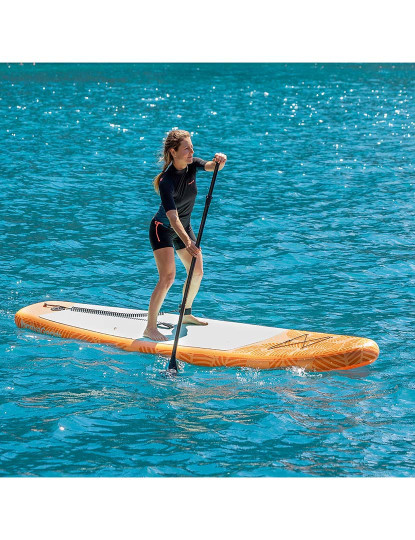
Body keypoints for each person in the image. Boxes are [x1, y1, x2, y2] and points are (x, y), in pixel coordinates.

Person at [143, 129, 227, 341]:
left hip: (184, 227)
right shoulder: (166, 181)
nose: (192, 151)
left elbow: (212, 166)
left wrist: (220, 160)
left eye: (192, 147)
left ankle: (185, 312)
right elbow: (172, 217)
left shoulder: (192, 166)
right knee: (168, 277)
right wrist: (188, 241)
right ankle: (150, 328)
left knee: (197, 271)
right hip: (162, 228)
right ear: (173, 152)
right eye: (186, 148)